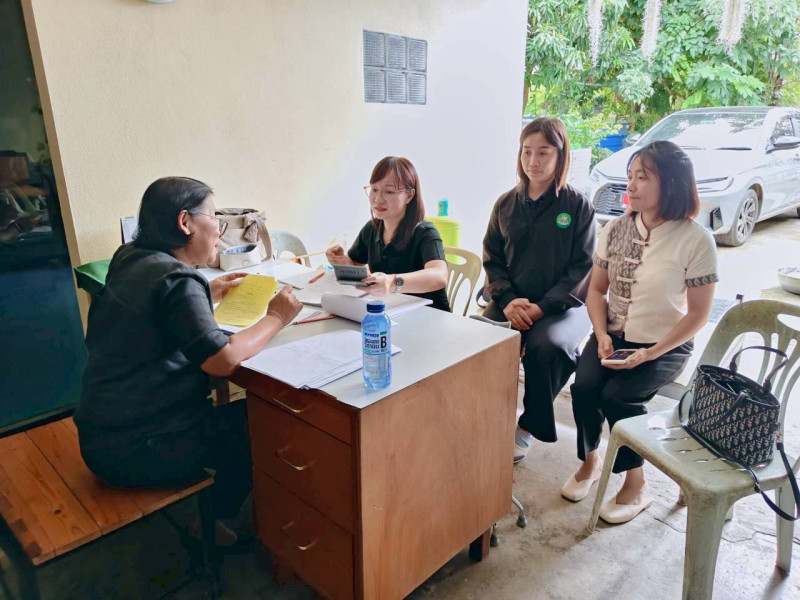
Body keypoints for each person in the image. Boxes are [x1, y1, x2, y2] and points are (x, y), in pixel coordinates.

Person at [75, 176, 302, 546]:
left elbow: (153, 308)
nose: (219, 231)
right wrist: (276, 317)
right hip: (138, 450)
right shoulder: (178, 279)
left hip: (100, 436)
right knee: (261, 426)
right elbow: (222, 360)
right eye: (214, 218)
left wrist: (206, 291)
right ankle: (211, 525)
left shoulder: (129, 256)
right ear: (185, 222)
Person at [564, 140, 718, 524]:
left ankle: (636, 484)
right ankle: (590, 461)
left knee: (619, 398)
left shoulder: (696, 240)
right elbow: (596, 291)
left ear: (672, 182)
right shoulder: (616, 228)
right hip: (612, 336)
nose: (630, 186)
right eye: (630, 176)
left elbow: (698, 314)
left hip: (666, 344)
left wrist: (650, 353)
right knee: (584, 387)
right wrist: (601, 334)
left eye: (643, 177)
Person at [483, 117, 595, 464]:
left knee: (548, 347)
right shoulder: (505, 203)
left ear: (561, 156)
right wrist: (507, 299)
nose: (533, 161)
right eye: (527, 151)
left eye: (543, 152)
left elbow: (581, 268)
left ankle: (528, 425)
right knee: (481, 340)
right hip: (511, 299)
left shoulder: (577, 206)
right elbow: (492, 258)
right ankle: (486, 414)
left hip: (564, 305)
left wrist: (542, 307)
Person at [326, 156, 450, 311]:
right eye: (374, 189)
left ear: (409, 195)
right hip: (391, 311)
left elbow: (439, 276)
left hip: (430, 315)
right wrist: (343, 262)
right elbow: (357, 264)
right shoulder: (372, 228)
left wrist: (392, 282)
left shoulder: (425, 233)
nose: (378, 199)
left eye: (389, 192)